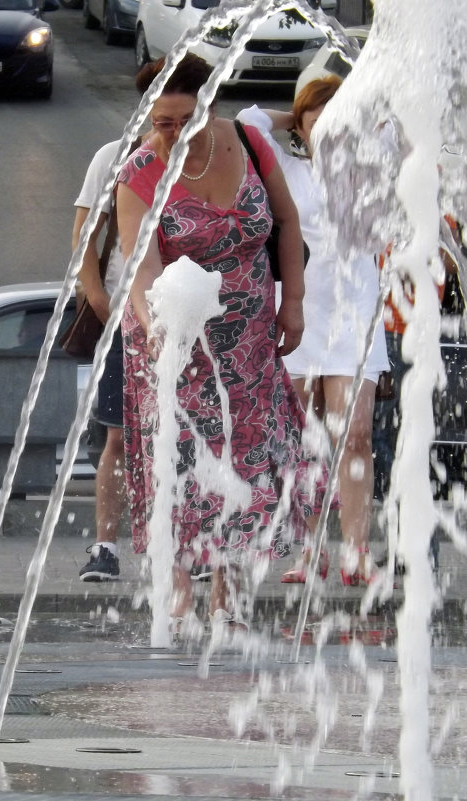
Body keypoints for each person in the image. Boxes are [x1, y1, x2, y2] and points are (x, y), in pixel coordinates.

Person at [116, 54, 332, 634]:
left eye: (183, 119)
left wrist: (293, 302)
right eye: (160, 122)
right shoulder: (139, 173)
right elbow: (141, 269)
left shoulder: (249, 144)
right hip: (176, 348)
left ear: (207, 107)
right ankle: (181, 599)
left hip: (251, 346)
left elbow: (286, 223)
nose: (171, 132)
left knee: (250, 467)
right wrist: (158, 331)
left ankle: (230, 604)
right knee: (184, 466)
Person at [237, 77, 390, 587]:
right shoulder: (290, 171)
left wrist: (351, 112)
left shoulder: (371, 168)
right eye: (318, 121)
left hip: (356, 315)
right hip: (300, 314)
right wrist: (296, 113)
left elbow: (404, 129)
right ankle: (310, 550)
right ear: (302, 130)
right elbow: (247, 124)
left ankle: (358, 552)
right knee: (301, 441)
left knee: (356, 435)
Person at [72, 138, 131, 581]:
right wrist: (96, 295)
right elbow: (85, 232)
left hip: (199, 312)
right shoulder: (113, 154)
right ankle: (105, 547)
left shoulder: (220, 147)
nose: (172, 127)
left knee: (200, 437)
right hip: (125, 311)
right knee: (118, 438)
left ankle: (199, 548)